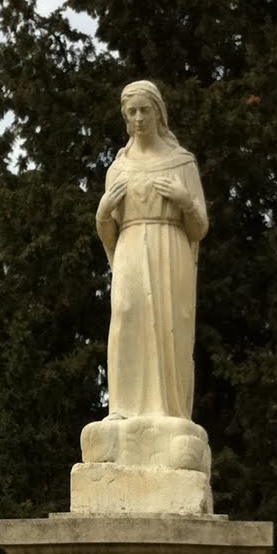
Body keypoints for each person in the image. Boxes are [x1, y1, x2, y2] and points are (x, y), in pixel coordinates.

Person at [96, 80, 208, 421]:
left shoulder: (181, 163)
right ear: (125, 118)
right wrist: (102, 211)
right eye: (132, 112)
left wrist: (185, 202)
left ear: (158, 113)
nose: (139, 118)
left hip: (171, 246)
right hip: (130, 248)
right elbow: (108, 229)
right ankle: (122, 408)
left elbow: (199, 227)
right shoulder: (118, 168)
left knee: (169, 323)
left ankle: (170, 412)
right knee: (127, 317)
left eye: (145, 110)